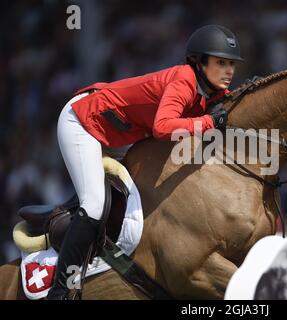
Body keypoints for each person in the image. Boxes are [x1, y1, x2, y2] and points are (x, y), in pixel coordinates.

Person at [47, 25, 244, 299]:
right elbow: (163, 127)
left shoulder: (207, 90)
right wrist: (208, 122)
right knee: (93, 204)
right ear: (199, 63)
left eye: (232, 64)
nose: (229, 71)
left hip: (113, 129)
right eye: (221, 63)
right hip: (82, 120)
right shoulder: (184, 80)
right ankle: (59, 291)